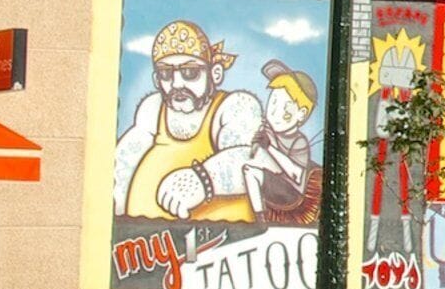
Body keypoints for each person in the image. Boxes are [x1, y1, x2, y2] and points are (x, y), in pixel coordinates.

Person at [111, 20, 302, 223]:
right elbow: (122, 165)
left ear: (215, 74)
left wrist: (201, 179)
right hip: (144, 246)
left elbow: (250, 158)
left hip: (226, 246)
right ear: (157, 80)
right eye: (166, 73)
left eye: (190, 72)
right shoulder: (152, 109)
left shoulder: (235, 106)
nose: (177, 84)